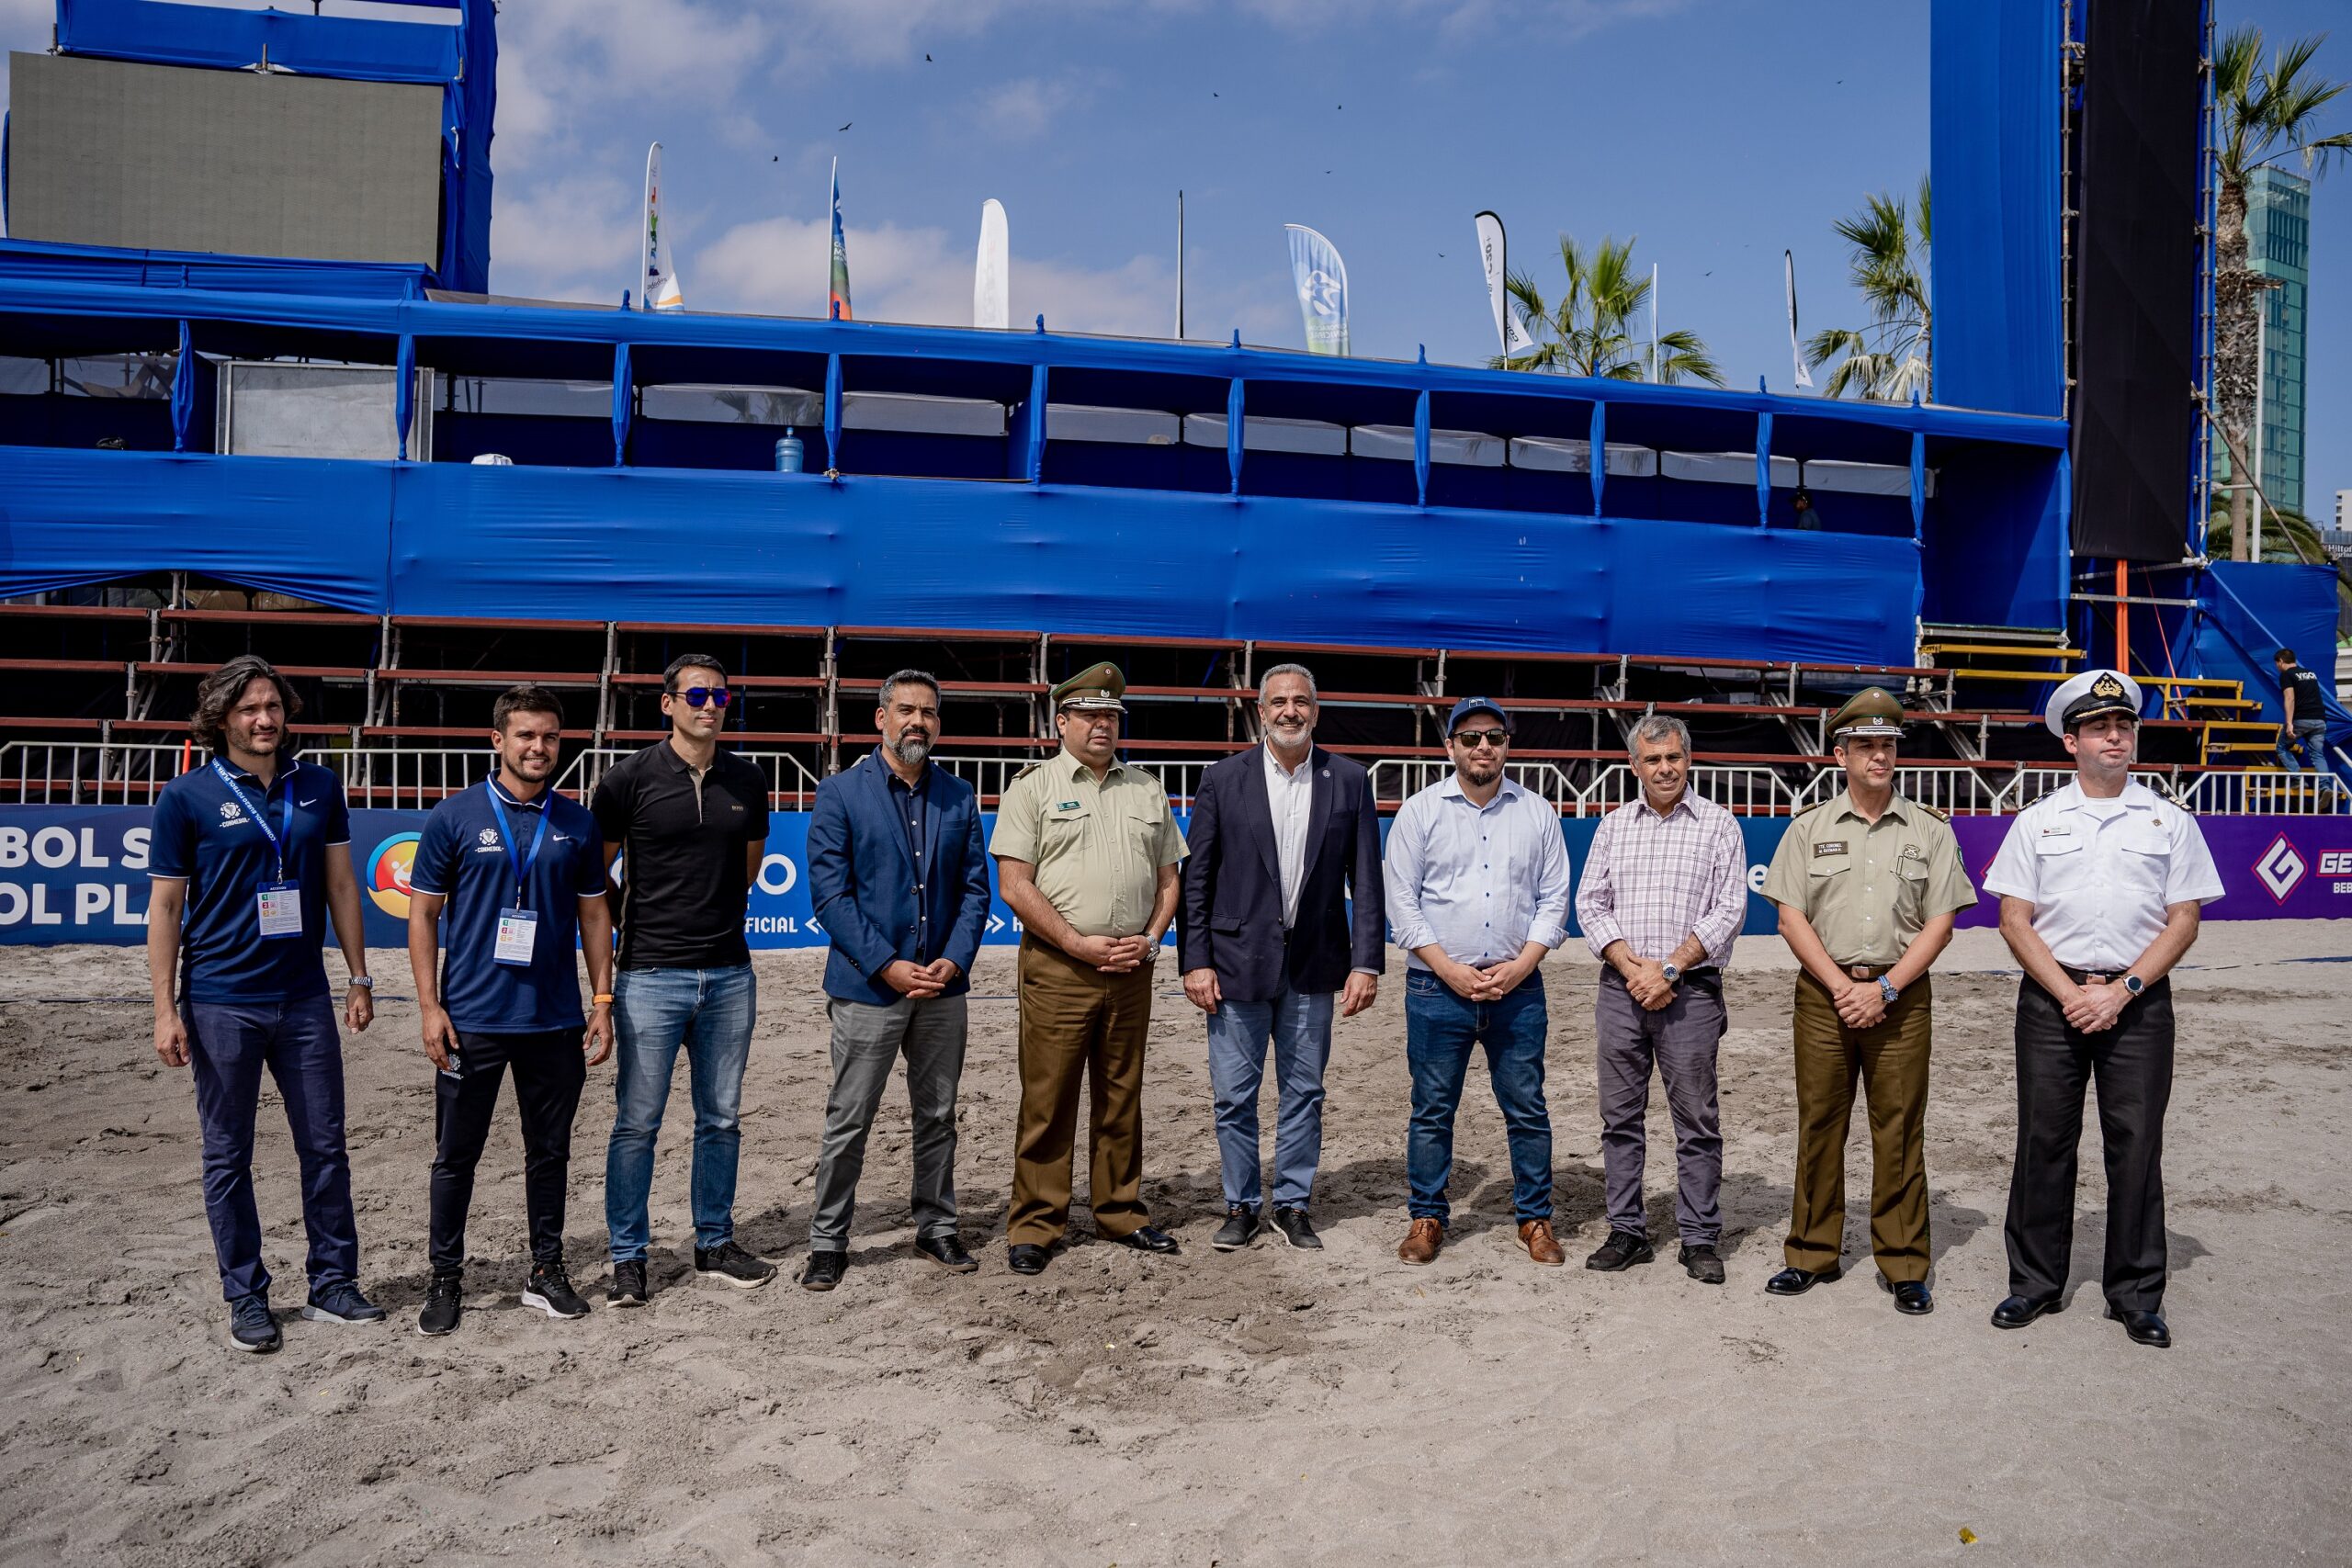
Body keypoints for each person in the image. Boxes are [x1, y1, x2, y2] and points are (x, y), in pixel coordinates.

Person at [146, 655, 383, 1352]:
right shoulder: (185, 797)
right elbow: (165, 907)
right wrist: (165, 1008)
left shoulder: (319, 786)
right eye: (249, 707)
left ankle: (333, 1284)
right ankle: (246, 1295)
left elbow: (342, 885)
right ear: (222, 716)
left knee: (326, 1146)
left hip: (305, 997)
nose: (264, 718)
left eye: (273, 706)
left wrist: (360, 975)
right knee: (228, 1155)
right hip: (221, 1001)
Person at [1983, 669, 2223, 1349]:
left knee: (2137, 1145)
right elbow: (2013, 917)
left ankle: (2136, 1293)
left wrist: (2121, 992)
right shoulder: (2038, 821)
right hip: (2051, 1000)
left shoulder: (2170, 820)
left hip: (2138, 1002)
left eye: (2122, 725)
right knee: (2043, 1142)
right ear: (2071, 740)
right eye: (2098, 727)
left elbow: (2184, 920)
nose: (2114, 735)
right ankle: (2033, 1282)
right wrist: (2070, 994)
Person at [1758, 688, 1976, 1314]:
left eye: (1887, 745)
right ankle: (1809, 1252)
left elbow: (1941, 923)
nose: (1879, 755)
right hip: (1825, 995)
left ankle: (1905, 1262)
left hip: (1900, 996)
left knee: (1900, 1127)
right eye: (1866, 745)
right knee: (1820, 1123)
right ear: (1840, 753)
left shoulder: (1930, 830)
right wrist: (1842, 987)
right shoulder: (1809, 829)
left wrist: (1882, 988)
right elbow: (1791, 918)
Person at [405, 685, 615, 1336]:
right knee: (455, 1156)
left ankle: (547, 1272)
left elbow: (594, 915)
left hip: (554, 1021)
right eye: (525, 735)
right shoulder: (455, 816)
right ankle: (446, 1279)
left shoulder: (577, 821)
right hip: (471, 1021)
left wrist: (602, 999)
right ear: (497, 739)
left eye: (550, 736)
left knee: (548, 1152)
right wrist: (429, 1006)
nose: (538, 747)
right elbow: (423, 914)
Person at [1178, 663, 1384, 1253]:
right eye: (1278, 702)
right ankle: (1241, 1204)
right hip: (1235, 962)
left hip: (1316, 964)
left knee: (1304, 1092)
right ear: (1260, 712)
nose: (1289, 710)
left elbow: (1365, 880)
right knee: (1234, 1095)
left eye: (1301, 701)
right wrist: (1195, 960)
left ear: (1315, 711)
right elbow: (1198, 879)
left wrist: (1366, 962)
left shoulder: (1348, 779)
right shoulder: (1223, 778)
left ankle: (1292, 1204)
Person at [990, 662, 1186, 1275]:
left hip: (1132, 967)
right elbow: (1015, 885)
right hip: (1059, 969)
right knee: (1048, 1098)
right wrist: (1079, 943)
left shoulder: (1146, 789)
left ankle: (1119, 1209)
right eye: (1090, 714)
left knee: (1121, 1095)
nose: (1103, 724)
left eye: (1111, 716)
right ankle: (1037, 1221)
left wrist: (1150, 939)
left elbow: (1169, 878)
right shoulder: (1033, 787)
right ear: (1063, 721)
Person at [593, 653, 776, 1304]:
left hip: (729, 973)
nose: (709, 704)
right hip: (648, 975)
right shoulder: (627, 779)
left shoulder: (750, 780)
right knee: (637, 1122)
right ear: (666, 702)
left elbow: (749, 870)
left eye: (721, 696)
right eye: (696, 693)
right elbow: (595, 879)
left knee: (721, 1118)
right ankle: (627, 1256)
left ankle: (713, 1241)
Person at [799, 671, 991, 1290]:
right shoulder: (838, 793)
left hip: (942, 988)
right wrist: (886, 962)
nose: (918, 721)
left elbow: (974, 890)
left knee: (938, 1114)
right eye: (906, 710)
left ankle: (937, 1224)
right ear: (880, 717)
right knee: (849, 1117)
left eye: (929, 712)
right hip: (869, 988)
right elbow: (830, 897)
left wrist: (955, 960)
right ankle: (829, 1239)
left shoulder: (959, 796)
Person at [1385, 696, 1573, 1268]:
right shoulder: (1419, 813)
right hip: (1436, 987)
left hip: (1518, 988)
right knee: (1433, 1108)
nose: (1482, 746)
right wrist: (1449, 969)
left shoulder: (1538, 811)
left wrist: (1523, 965)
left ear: (1507, 743)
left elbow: (1553, 899)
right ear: (1450, 747)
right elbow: (1403, 904)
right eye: (1469, 737)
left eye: (1493, 735)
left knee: (1527, 1108)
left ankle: (1535, 1220)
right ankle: (1427, 1216)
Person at [1572, 715, 1749, 1284]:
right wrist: (1632, 967)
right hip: (1622, 989)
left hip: (1691, 991)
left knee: (1695, 1119)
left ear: (1688, 759)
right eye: (1652, 760)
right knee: (1619, 1118)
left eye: (1672, 757)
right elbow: (1590, 904)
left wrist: (1670, 968)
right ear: (1635, 766)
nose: (1665, 768)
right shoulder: (1614, 826)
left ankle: (1698, 1237)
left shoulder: (1720, 826)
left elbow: (1729, 911)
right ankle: (1628, 1230)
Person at [2272, 646, 2332, 788]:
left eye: (2276, 664)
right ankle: (2325, 786)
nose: (2276, 667)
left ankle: (2298, 779)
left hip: (2302, 718)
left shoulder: (2286, 675)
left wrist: (2289, 723)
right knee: (2318, 755)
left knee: (2281, 747)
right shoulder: (2310, 673)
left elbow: (2289, 698)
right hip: (2320, 720)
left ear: (2280, 661)